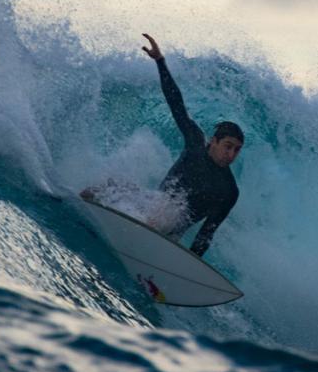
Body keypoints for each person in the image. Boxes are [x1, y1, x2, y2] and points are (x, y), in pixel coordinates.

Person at [82, 33, 243, 257]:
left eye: (236, 150)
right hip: (155, 204)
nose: (231, 154)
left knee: (166, 211)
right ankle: (77, 211)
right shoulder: (196, 142)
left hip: (169, 231)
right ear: (213, 141)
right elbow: (176, 102)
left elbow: (207, 232)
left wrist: (189, 267)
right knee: (104, 187)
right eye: (228, 146)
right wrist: (160, 62)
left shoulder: (228, 190)